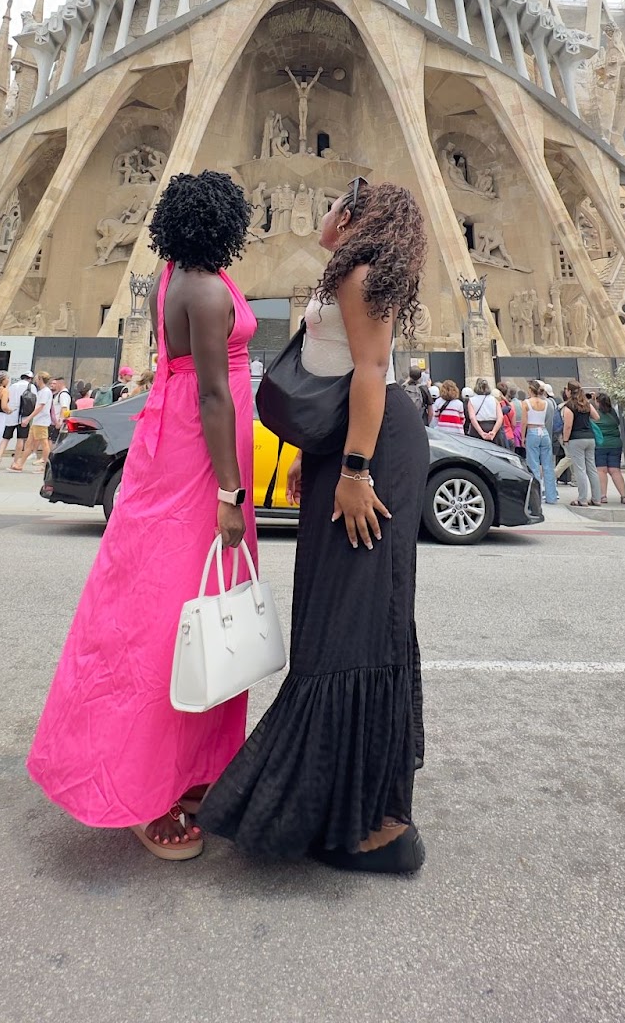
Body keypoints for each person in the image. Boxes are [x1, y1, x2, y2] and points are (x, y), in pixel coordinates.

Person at [201, 178, 430, 874]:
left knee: (356, 613)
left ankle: (373, 822)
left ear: (352, 216)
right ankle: (348, 803)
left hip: (375, 448)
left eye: (334, 204)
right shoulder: (348, 272)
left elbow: (372, 368)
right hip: (349, 444)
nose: (324, 213)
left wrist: (355, 469)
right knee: (337, 612)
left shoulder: (362, 274)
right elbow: (332, 369)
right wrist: (315, 452)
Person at [28, 170, 256, 862]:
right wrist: (229, 493)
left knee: (190, 609)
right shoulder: (207, 289)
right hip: (198, 456)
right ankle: (142, 789)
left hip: (175, 440)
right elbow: (213, 394)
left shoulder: (173, 276)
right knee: (169, 617)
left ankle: (190, 770)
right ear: (225, 224)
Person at [562, 382, 600, 506]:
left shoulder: (569, 406)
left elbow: (568, 426)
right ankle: (596, 498)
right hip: (590, 438)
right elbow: (597, 417)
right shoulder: (586, 404)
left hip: (576, 439)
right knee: (592, 468)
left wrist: (565, 440)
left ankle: (582, 499)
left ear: (569, 391)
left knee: (580, 469)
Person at [521, 380, 558, 505]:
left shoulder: (526, 403)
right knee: (548, 466)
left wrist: (522, 437)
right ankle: (551, 496)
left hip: (532, 431)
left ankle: (536, 496)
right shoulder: (546, 403)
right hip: (544, 431)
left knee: (533, 465)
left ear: (530, 390)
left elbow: (524, 422)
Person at [592, 391, 625, 505]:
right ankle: (623, 495)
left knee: (601, 470)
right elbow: (617, 422)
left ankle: (603, 496)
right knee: (615, 470)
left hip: (601, 444)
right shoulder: (612, 412)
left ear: (597, 402)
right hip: (615, 444)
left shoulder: (595, 413)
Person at [13, 373, 53, 472]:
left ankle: (45, 466)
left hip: (41, 421)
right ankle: (20, 464)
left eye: (36, 378)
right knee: (29, 443)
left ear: (40, 379)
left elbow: (40, 407)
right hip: (37, 421)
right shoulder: (41, 391)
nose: (35, 380)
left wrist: (28, 418)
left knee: (44, 443)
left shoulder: (45, 392)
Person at [0, 372, 36, 467]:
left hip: (11, 414)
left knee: (5, 438)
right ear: (30, 378)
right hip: (24, 416)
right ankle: (15, 461)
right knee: (20, 439)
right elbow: (35, 400)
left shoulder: (13, 386)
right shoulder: (31, 387)